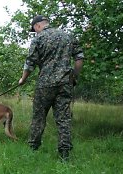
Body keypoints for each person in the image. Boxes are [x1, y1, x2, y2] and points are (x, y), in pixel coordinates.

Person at [18, 15, 84, 161]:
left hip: (45, 85)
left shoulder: (38, 38)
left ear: (38, 26)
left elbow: (30, 63)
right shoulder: (67, 36)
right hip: (65, 84)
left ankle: (33, 150)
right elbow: (79, 57)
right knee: (63, 119)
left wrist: (23, 79)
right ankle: (64, 155)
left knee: (39, 117)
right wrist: (74, 76)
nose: (35, 32)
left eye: (34, 29)